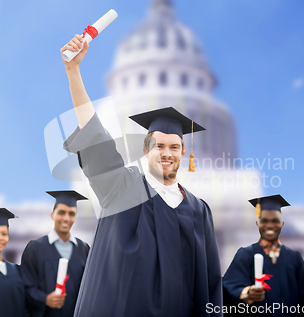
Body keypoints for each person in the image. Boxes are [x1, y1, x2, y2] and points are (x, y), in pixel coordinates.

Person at [60, 35, 222, 316]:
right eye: (159, 146)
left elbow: (209, 284)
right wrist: (73, 71)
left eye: (174, 147)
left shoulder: (199, 209)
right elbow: (95, 134)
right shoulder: (121, 187)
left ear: (183, 152)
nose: (166, 153)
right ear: (145, 149)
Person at [223, 195, 304, 316]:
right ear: (257, 223)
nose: (269, 225)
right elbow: (228, 287)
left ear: (282, 224)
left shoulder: (294, 258)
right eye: (264, 221)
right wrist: (246, 293)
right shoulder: (245, 255)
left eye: (275, 221)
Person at [20, 190, 90, 317]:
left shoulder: (84, 248)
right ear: (52, 215)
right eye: (61, 212)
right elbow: (25, 285)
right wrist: (44, 299)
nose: (66, 218)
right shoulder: (35, 248)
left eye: (72, 214)